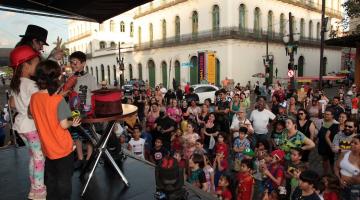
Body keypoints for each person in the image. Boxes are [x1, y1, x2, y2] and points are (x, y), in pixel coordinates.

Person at [30, 60, 81, 200]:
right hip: (63, 148)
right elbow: (64, 124)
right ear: (55, 78)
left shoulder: (34, 98)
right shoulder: (58, 100)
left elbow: (34, 114)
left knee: (51, 181)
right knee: (64, 182)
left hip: (47, 148)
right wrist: (73, 121)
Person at [9, 45, 46, 199]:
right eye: (36, 63)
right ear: (26, 65)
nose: (38, 66)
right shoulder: (32, 85)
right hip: (31, 127)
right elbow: (37, 107)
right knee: (39, 158)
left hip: (20, 126)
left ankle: (33, 187)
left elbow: (11, 104)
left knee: (33, 156)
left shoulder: (16, 83)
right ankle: (38, 190)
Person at [67, 51, 98, 167]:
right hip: (74, 110)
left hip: (87, 111)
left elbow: (95, 94)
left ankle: (89, 158)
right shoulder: (71, 78)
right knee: (76, 135)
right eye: (71, 63)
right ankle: (80, 158)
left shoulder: (91, 78)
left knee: (90, 136)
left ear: (83, 63)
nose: (73, 65)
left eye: (76, 62)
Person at [334, 134, 360, 200]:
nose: (352, 144)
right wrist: (340, 179)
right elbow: (336, 167)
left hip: (355, 189)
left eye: (355, 143)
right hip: (341, 185)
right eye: (352, 142)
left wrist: (349, 181)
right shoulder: (345, 154)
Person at [318, 109, 339, 174]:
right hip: (322, 145)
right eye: (325, 114)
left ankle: (334, 175)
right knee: (324, 160)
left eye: (328, 114)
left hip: (331, 145)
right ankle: (325, 174)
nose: (325, 115)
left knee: (332, 161)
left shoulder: (336, 123)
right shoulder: (321, 122)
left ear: (332, 116)